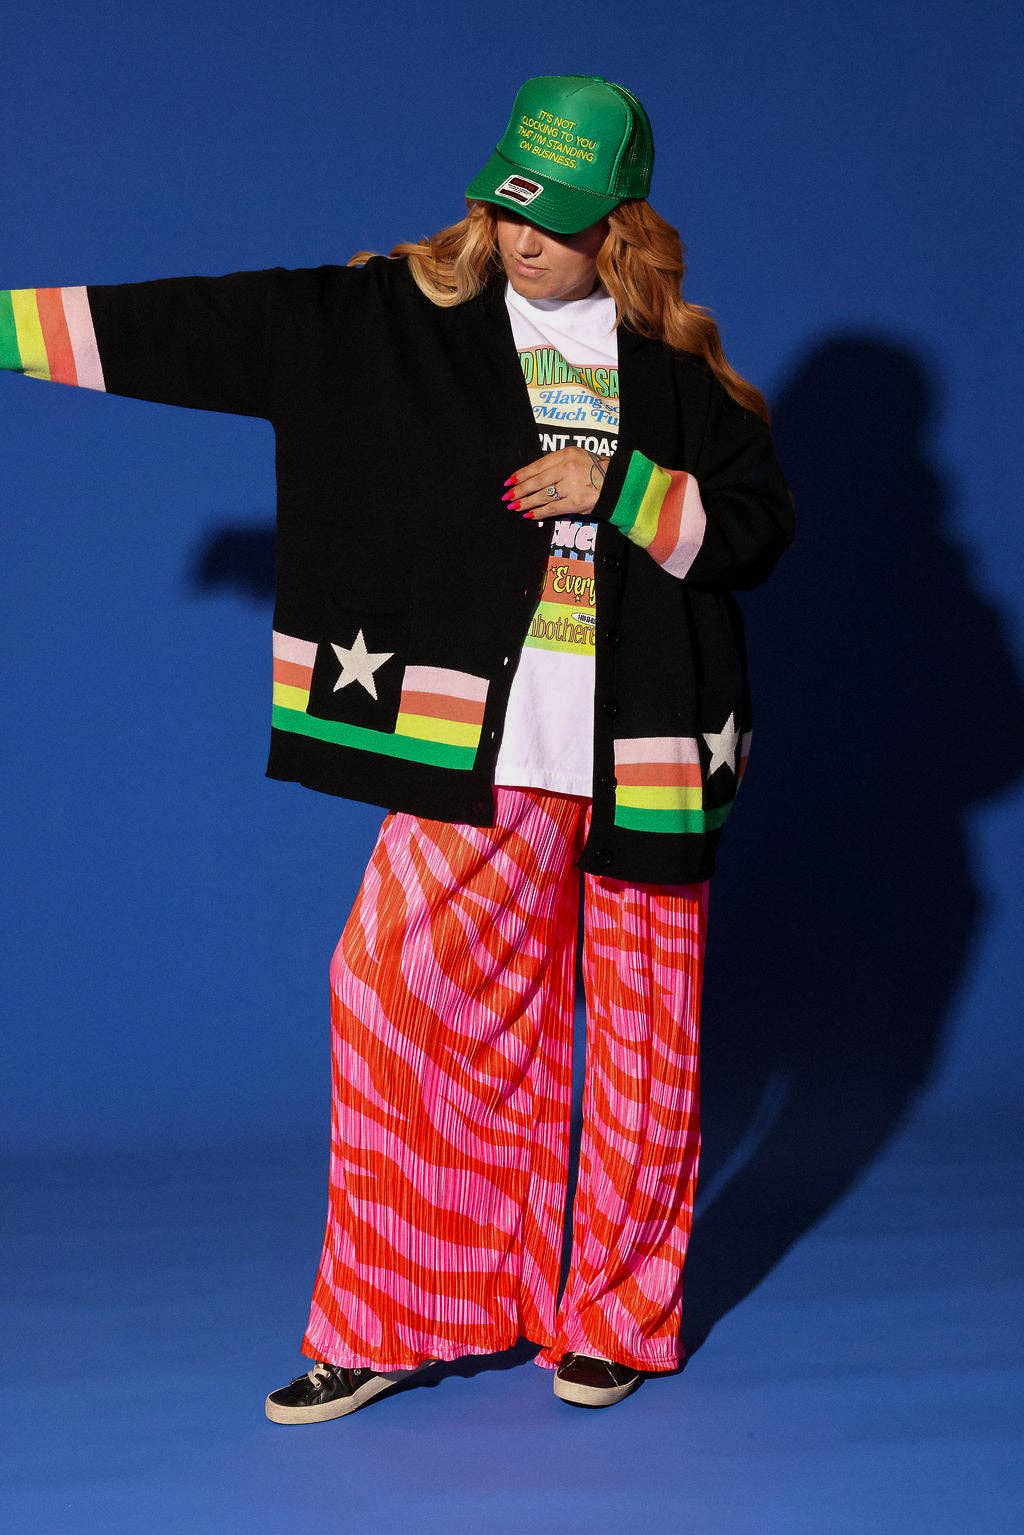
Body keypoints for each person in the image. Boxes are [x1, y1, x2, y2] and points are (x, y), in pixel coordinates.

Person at [0, 74, 794, 1417]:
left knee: (644, 1051)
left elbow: (761, 534)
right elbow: (206, 328)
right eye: (511, 207)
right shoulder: (395, 323)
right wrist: (11, 328)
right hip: (481, 747)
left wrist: (622, 488)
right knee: (389, 992)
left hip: (650, 751)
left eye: (560, 218)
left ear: (620, 225)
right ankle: (393, 1316)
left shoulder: (676, 377)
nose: (525, 237)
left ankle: (616, 1319)